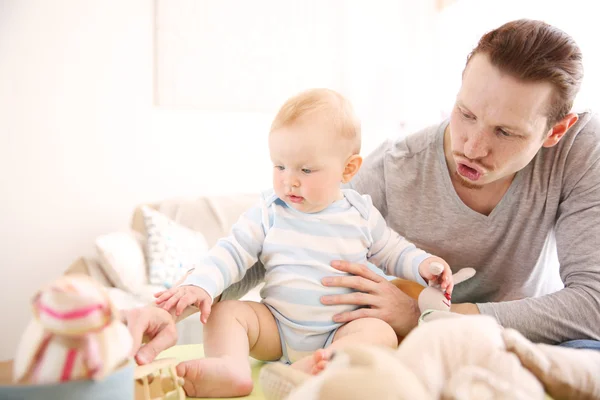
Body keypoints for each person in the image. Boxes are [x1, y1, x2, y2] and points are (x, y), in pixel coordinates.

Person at [123, 17, 600, 392]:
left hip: (511, 341)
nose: (472, 146)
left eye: (505, 132)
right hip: (405, 345)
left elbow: (593, 305)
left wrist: (429, 317)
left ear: (555, 132)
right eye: (466, 113)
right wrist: (173, 306)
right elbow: (265, 246)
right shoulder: (395, 167)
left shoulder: (581, 150)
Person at [151, 88, 454, 397]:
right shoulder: (269, 212)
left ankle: (311, 369)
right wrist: (201, 285)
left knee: (380, 333)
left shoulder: (360, 214)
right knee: (224, 312)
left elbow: (394, 251)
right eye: (279, 166)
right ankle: (231, 367)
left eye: (305, 170)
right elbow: (232, 251)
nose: (289, 180)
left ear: (348, 169)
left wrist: (424, 265)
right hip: (276, 329)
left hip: (339, 331)